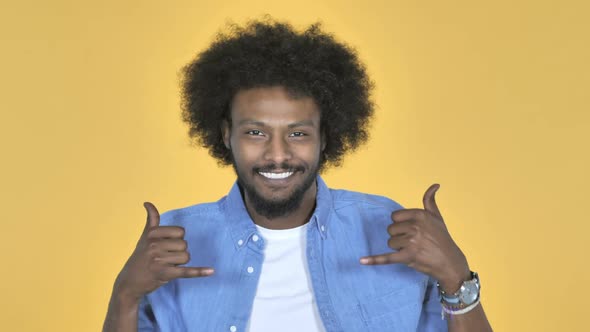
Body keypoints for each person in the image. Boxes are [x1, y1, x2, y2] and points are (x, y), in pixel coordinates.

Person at [103, 18, 492, 332]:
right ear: (226, 134)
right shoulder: (174, 242)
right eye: (256, 132)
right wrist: (124, 294)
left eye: (298, 133)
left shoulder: (391, 230)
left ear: (325, 137)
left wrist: (456, 276)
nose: (277, 154)